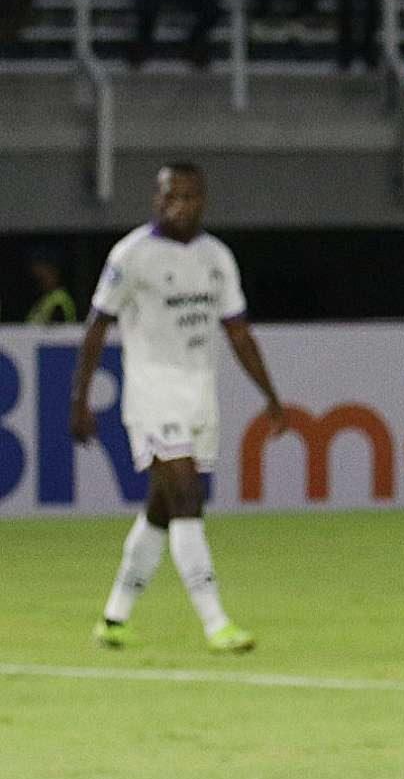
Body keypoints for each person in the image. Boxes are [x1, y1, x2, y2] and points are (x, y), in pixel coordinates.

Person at [70, 163, 285, 654]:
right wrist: (79, 399)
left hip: (199, 396)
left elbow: (238, 331)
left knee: (161, 510)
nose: (179, 205)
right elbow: (96, 326)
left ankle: (114, 617)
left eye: (189, 196)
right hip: (152, 395)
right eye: (170, 196)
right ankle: (217, 623)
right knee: (188, 498)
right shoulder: (132, 255)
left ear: (203, 200)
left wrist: (270, 398)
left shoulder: (216, 258)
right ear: (156, 198)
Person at [25, 253, 77, 324]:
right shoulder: (45, 299)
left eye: (44, 272)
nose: (38, 278)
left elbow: (57, 332)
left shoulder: (59, 300)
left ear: (54, 271)